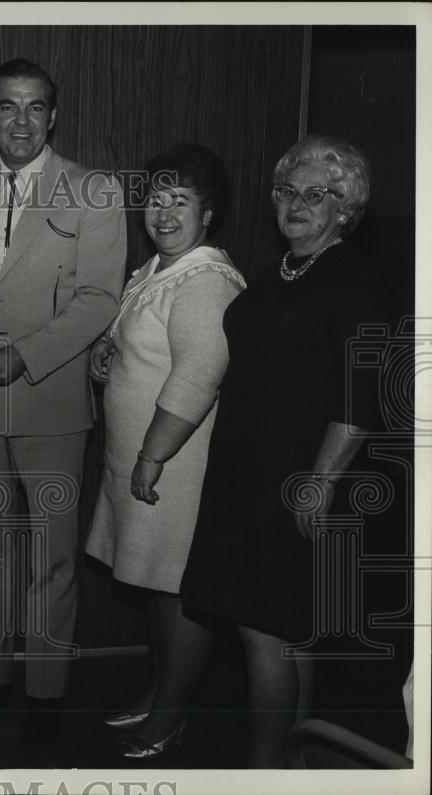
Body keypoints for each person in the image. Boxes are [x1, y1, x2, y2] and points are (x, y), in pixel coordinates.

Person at [0, 58, 127, 747]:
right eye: (7, 107)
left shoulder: (95, 191)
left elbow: (101, 298)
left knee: (52, 552)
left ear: (53, 116)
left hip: (51, 396)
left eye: (34, 107)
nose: (20, 120)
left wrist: (26, 353)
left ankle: (46, 688)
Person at [180, 136, 383, 767]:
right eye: (287, 191)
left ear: (345, 208)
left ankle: (266, 771)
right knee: (292, 631)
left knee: (264, 631)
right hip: (247, 467)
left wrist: (321, 482)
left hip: (298, 473)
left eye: (316, 193)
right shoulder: (281, 270)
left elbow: (362, 398)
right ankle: (299, 761)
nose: (296, 203)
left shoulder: (353, 279)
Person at [84, 144, 245, 759]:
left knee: (177, 593)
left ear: (210, 213)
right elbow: (144, 339)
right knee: (152, 585)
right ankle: (159, 692)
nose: (164, 212)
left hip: (174, 468)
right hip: (138, 463)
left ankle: (173, 714)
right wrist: (109, 347)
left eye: (181, 200)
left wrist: (153, 454)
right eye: (154, 199)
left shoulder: (207, 279)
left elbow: (200, 372)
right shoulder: (157, 269)